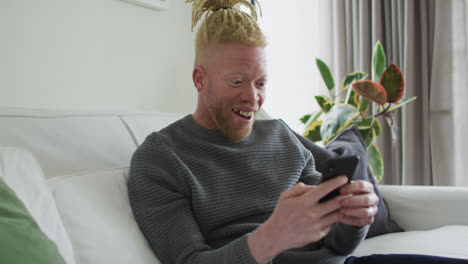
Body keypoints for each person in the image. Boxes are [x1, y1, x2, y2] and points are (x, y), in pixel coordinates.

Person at [127, 1, 468, 263]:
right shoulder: (160, 159)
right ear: (200, 80)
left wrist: (354, 219)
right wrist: (271, 237)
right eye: (237, 82)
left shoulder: (280, 137)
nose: (253, 97)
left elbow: (337, 243)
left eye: (261, 82)